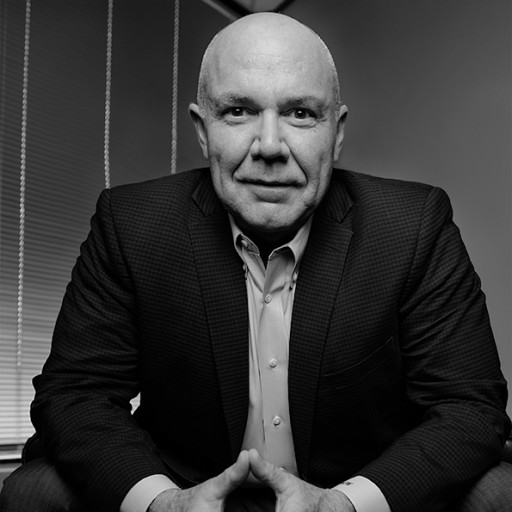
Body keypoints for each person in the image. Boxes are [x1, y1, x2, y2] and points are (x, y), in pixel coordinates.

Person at [1, 12, 510, 512]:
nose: (269, 146)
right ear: (203, 130)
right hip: (189, 487)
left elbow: (468, 406)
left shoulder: (412, 225)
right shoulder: (132, 224)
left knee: (499, 491)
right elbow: (77, 393)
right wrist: (164, 503)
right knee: (33, 491)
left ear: (336, 132)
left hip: (347, 487)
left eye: (300, 113)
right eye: (238, 111)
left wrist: (344, 505)